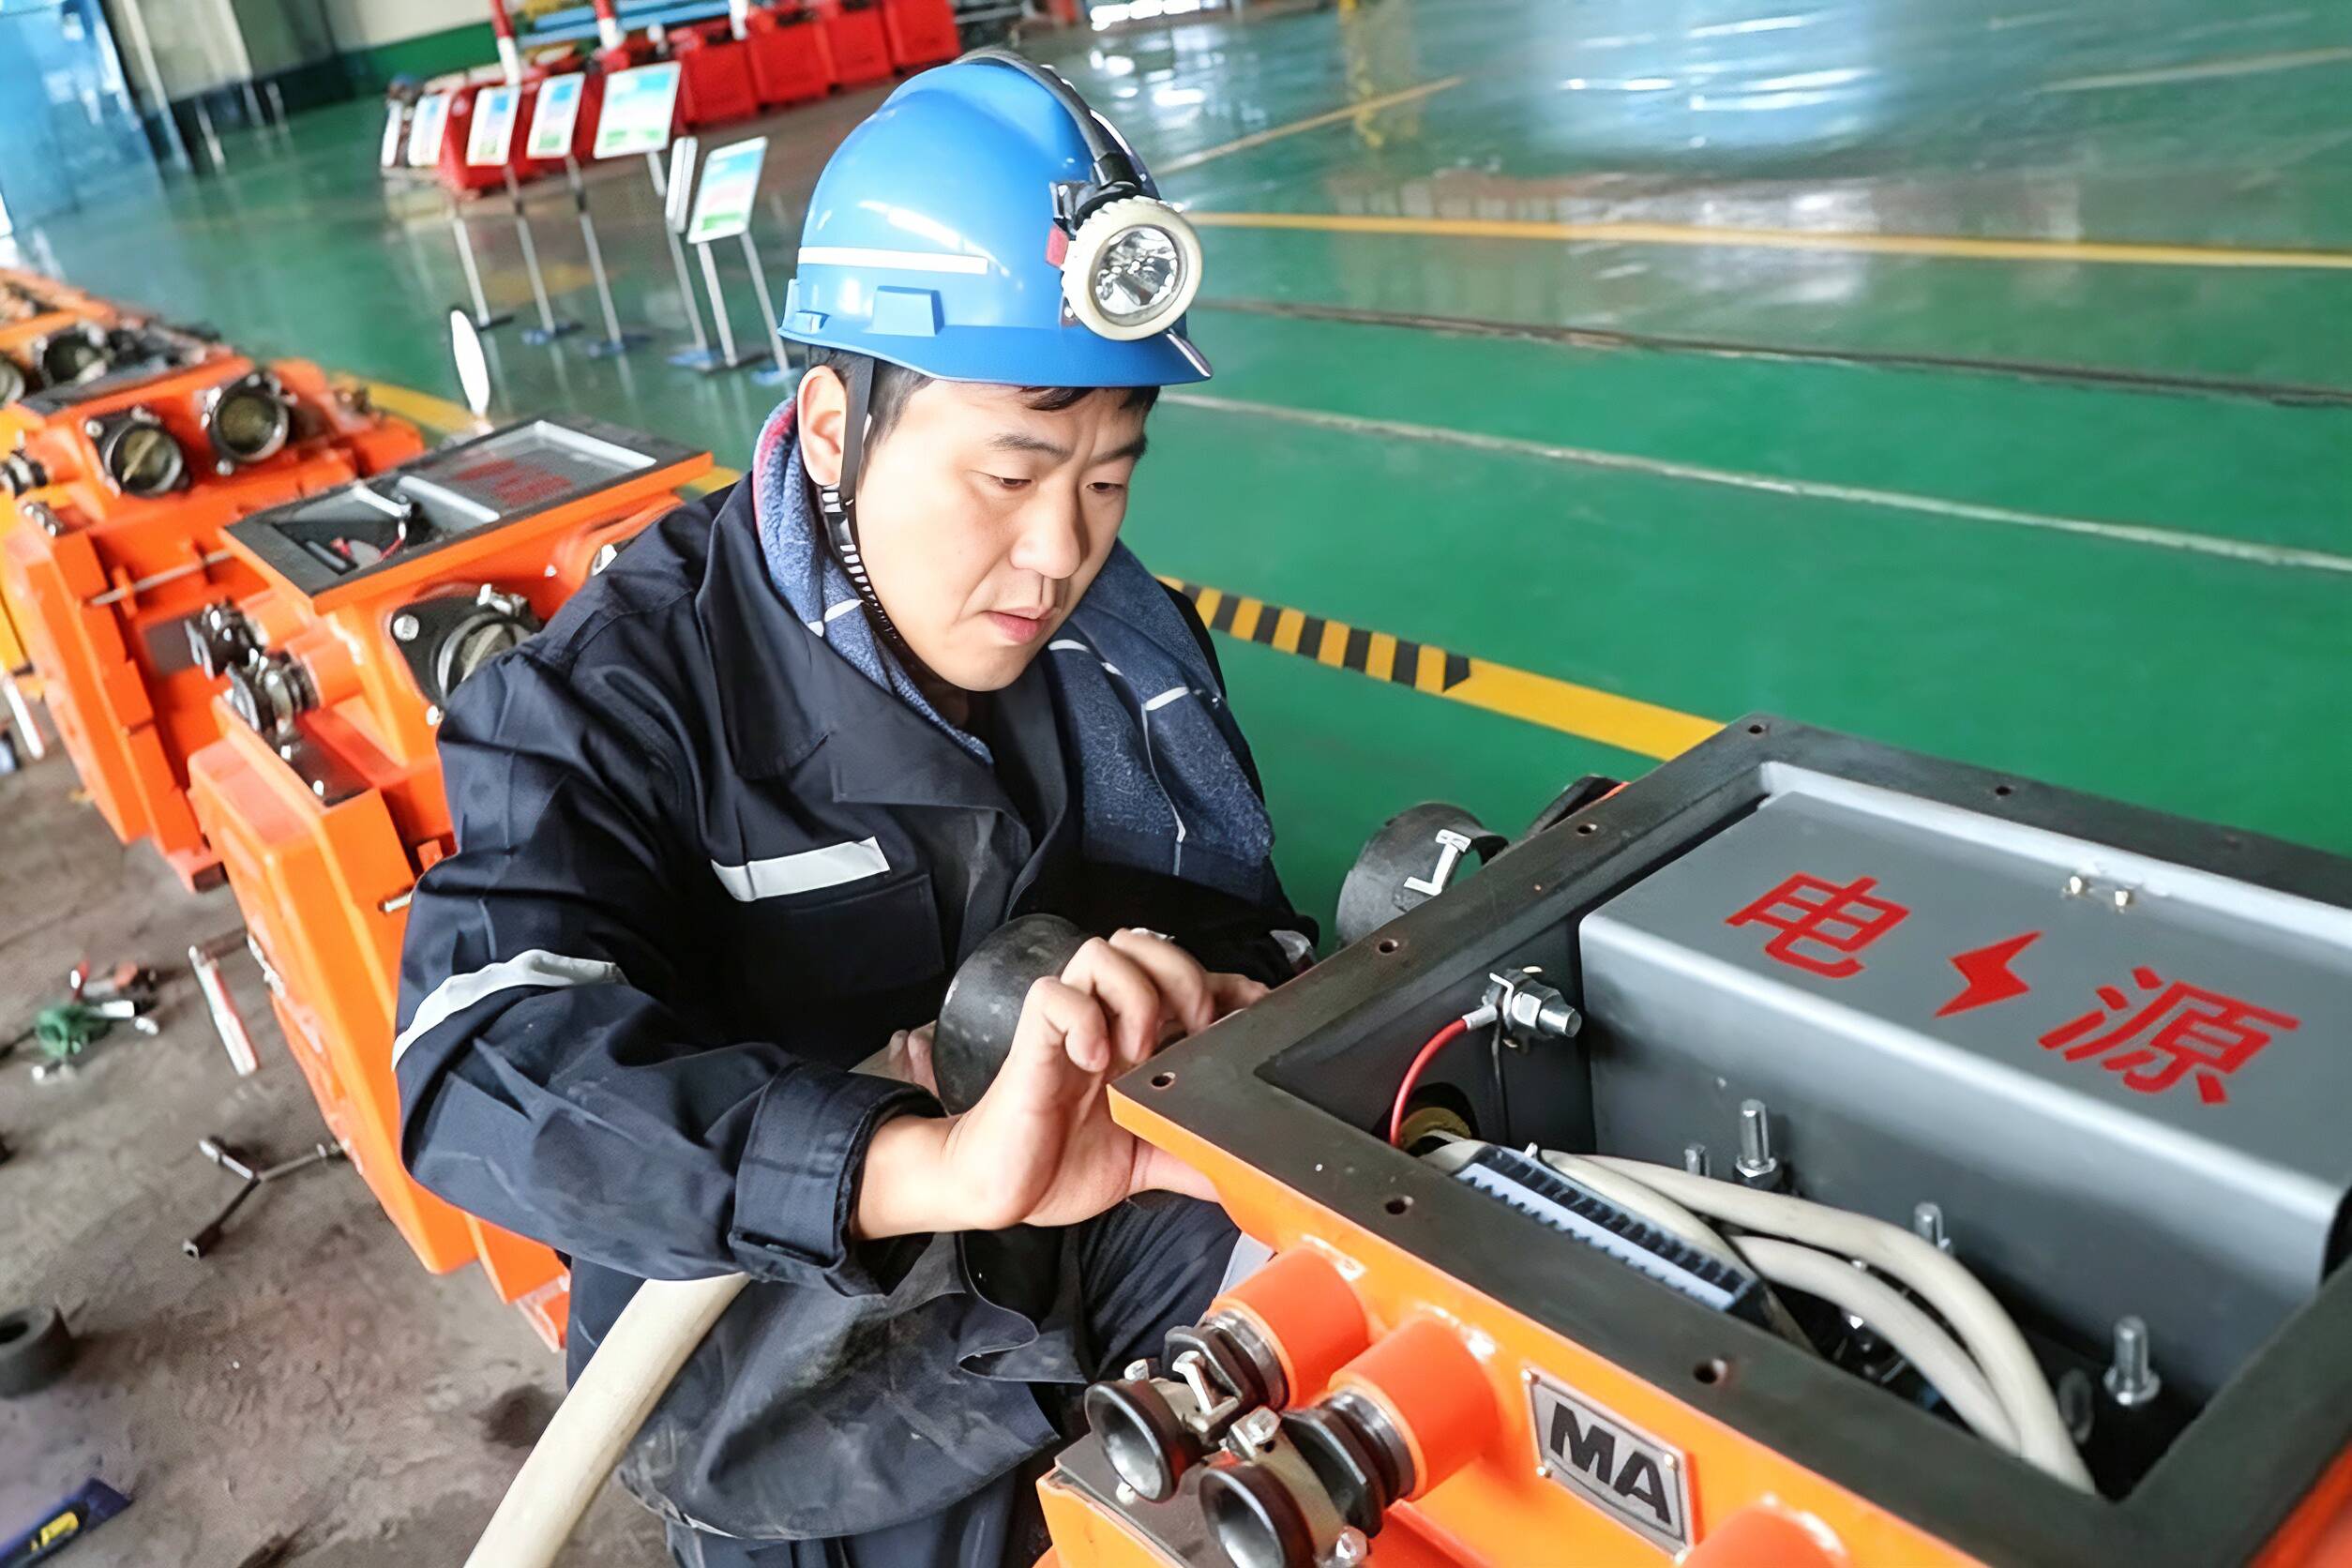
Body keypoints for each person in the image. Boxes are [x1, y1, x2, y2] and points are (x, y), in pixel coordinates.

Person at [391, 52, 1314, 1568]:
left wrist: (1210, 993)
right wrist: (927, 1164)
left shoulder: (1123, 656)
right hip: (787, 1385)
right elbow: (480, 1063)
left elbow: (1230, 914)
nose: (1059, 555)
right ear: (833, 425)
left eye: (1106, 481)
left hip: (1096, 1249)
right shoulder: (624, 693)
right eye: (1009, 475)